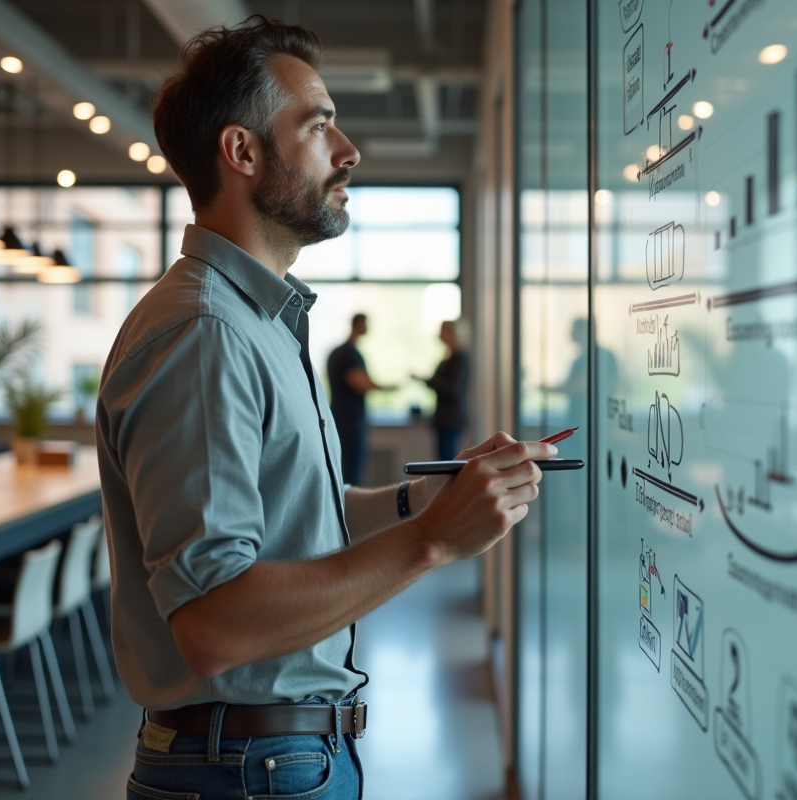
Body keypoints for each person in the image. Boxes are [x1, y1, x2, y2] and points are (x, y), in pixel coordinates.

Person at [95, 18, 554, 800]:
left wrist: (418, 501)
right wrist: (432, 542)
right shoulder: (205, 332)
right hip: (247, 770)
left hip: (268, 760)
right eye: (318, 126)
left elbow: (295, 516)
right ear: (242, 152)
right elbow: (213, 625)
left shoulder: (255, 321)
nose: (349, 151)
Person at [327, 312, 391, 485]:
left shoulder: (344, 352)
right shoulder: (346, 354)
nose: (368, 327)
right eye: (366, 323)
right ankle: (348, 503)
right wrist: (388, 388)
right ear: (359, 324)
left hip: (346, 418)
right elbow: (361, 384)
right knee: (351, 471)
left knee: (350, 468)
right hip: (348, 421)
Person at [420, 319, 471, 460]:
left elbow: (454, 389)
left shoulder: (460, 359)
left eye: (444, 332)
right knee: (442, 459)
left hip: (452, 419)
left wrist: (432, 381)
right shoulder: (447, 359)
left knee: (447, 460)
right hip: (443, 419)